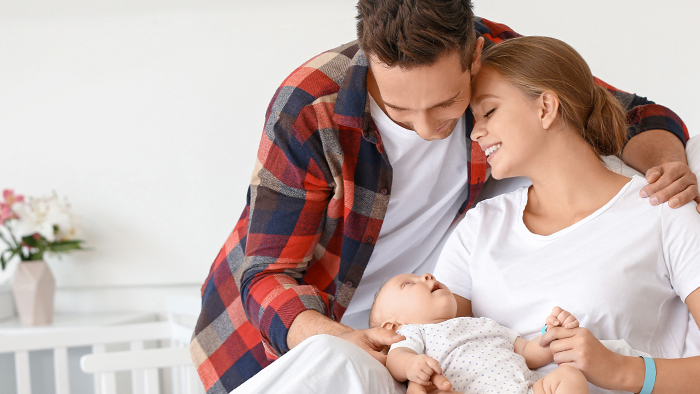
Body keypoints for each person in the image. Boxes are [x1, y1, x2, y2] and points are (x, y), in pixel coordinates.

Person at [190, 1, 699, 392]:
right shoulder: (311, 108)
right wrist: (347, 338)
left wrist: (668, 169)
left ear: (473, 56)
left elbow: (627, 113)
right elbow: (268, 275)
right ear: (370, 64)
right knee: (333, 362)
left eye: (450, 105)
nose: (429, 129)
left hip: (428, 331)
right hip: (293, 333)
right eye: (398, 110)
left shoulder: (501, 68)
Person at [430, 36, 700, 393]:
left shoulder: (661, 209)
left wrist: (622, 371)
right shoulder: (479, 228)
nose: (476, 132)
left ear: (545, 107)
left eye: (489, 111)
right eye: (473, 120)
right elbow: (433, 340)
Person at [371, 272, 590, 394]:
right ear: (393, 326)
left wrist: (551, 337)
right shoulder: (414, 332)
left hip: (528, 390)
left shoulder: (484, 323)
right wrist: (410, 365)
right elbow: (396, 358)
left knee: (568, 377)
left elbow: (526, 352)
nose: (427, 275)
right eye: (409, 283)